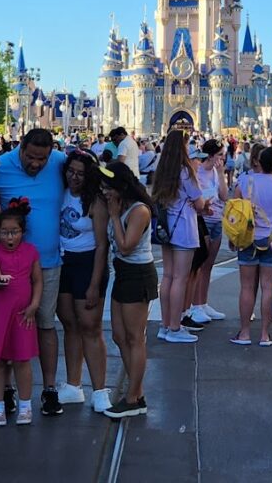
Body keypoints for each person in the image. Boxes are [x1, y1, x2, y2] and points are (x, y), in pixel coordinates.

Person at [0, 127, 68, 417]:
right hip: (10, 265)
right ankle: (8, 389)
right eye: (31, 157)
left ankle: (49, 389)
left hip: (48, 262)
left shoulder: (60, 162)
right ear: (20, 148)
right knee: (9, 327)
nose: (36, 164)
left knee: (46, 325)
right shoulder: (0, 166)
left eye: (42, 159)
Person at [0, 201, 43, 426]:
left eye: (14, 232)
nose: (9, 237)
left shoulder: (31, 251)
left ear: (22, 232)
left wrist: (34, 305)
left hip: (23, 314)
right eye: (4, 232)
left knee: (22, 359)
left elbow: (37, 280)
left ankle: (25, 405)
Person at [53, 150, 111, 414]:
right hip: (63, 261)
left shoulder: (96, 201)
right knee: (69, 323)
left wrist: (94, 284)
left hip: (88, 262)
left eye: (80, 173)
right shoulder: (60, 191)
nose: (74, 177)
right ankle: (73, 385)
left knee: (90, 326)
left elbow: (102, 245)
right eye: (71, 171)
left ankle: (99, 389)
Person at [99, 161, 157, 419]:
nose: (104, 192)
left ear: (120, 187)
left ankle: (133, 398)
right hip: (122, 273)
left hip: (137, 274)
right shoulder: (119, 205)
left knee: (135, 337)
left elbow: (125, 246)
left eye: (107, 187)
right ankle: (137, 389)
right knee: (119, 336)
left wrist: (113, 215)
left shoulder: (139, 210)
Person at [232, 144, 272, 347]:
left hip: (248, 238)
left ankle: (245, 333)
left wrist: (233, 237)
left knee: (247, 287)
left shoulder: (245, 181)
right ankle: (265, 334)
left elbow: (234, 212)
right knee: (268, 287)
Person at [150, 129, 205, 345]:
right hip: (184, 229)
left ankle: (165, 325)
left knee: (168, 277)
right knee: (180, 278)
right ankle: (175, 326)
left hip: (166, 228)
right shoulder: (185, 172)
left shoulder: (162, 171)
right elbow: (199, 203)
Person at [187, 140, 229, 326]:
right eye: (220, 154)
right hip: (203, 220)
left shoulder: (215, 172)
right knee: (198, 265)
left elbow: (224, 196)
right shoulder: (198, 171)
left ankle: (203, 303)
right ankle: (195, 305)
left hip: (217, 219)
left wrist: (221, 174)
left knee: (209, 265)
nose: (223, 158)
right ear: (211, 156)